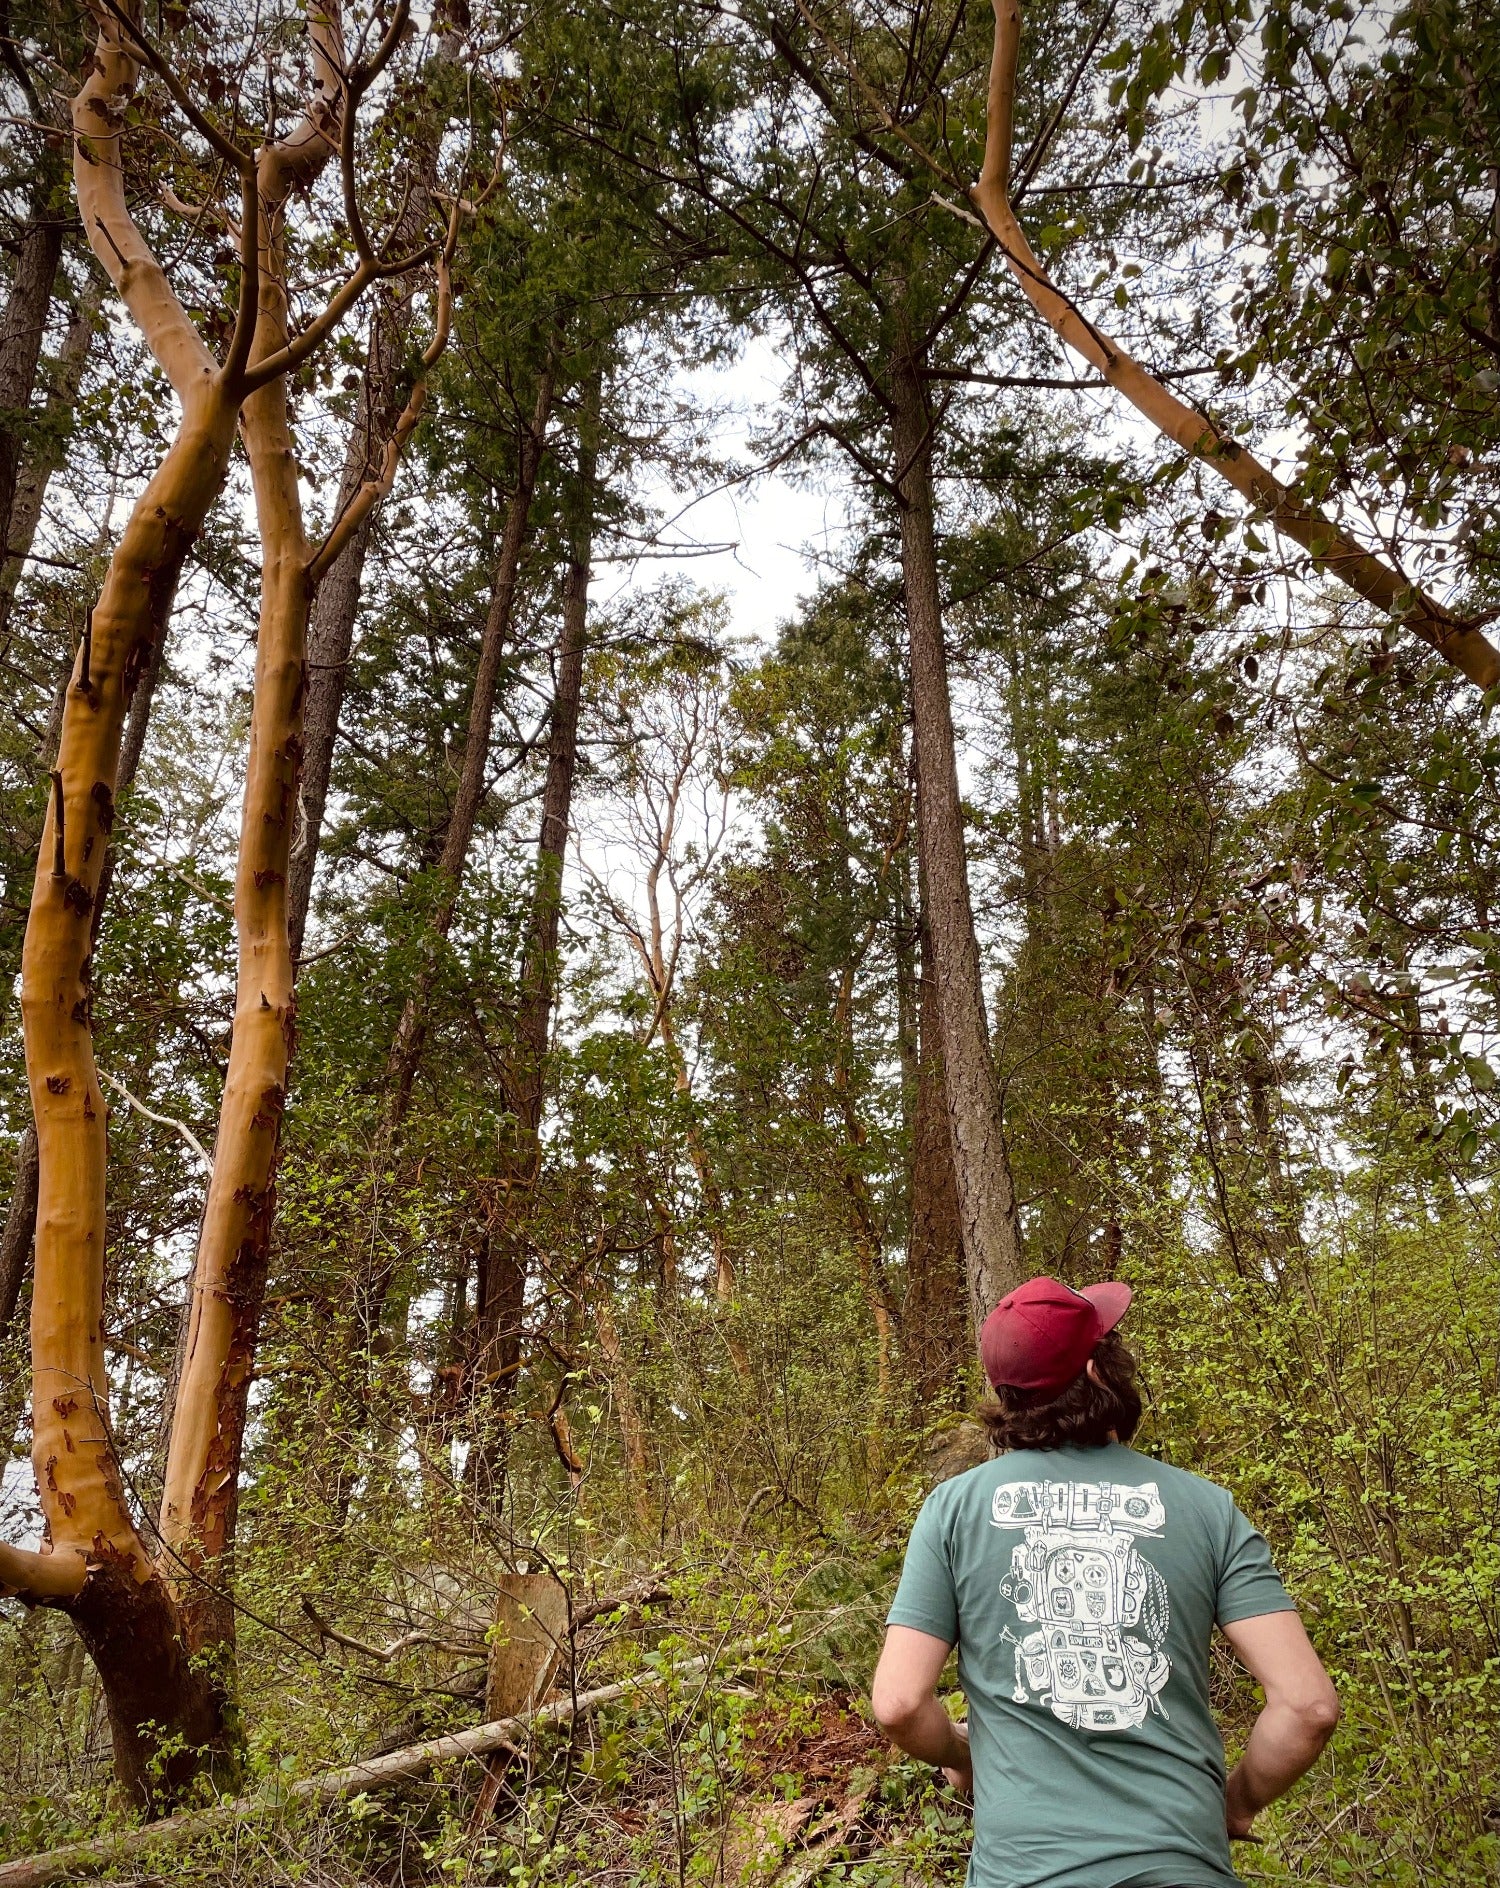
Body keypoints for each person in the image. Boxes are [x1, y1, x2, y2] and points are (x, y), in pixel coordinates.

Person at [871, 1276, 1339, 1888]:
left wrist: (966, 1755)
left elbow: (899, 1703)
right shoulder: (1206, 1509)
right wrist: (1237, 1802)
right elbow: (1308, 1705)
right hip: (1180, 1864)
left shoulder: (953, 1510)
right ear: (1097, 1372)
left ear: (1002, 1390)